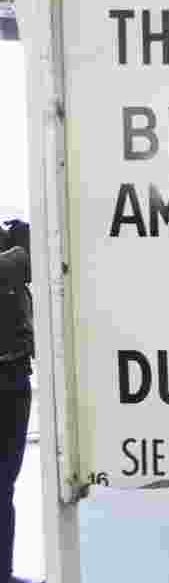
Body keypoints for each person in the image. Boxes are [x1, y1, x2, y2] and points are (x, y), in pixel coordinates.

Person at [0, 220, 35, 583]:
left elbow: (40, 259)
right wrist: (22, 247)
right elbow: (19, 264)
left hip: (13, 374)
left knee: (4, 485)